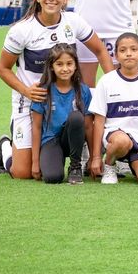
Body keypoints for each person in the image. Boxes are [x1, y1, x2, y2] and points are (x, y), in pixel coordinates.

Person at [0, 0, 112, 179]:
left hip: (66, 97)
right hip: (33, 100)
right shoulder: (21, 30)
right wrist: (27, 91)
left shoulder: (73, 21)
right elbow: (3, 69)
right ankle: (6, 146)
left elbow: (101, 51)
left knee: (87, 112)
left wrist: (114, 84)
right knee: (22, 172)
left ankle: (83, 155)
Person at [89, 33, 138, 186]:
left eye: (133, 49)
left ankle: (131, 163)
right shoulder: (106, 81)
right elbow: (98, 122)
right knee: (122, 141)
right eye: (123, 50)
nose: (128, 53)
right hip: (116, 137)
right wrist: (96, 157)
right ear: (116, 55)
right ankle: (110, 165)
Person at [29, 44, 92, 185]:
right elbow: (37, 127)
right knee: (52, 178)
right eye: (59, 64)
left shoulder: (83, 90)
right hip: (51, 140)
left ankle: (75, 167)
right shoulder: (43, 91)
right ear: (51, 66)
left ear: (76, 65)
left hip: (73, 140)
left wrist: (94, 158)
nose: (65, 69)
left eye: (69, 63)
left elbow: (88, 126)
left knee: (76, 117)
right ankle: (5, 148)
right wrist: (35, 162)